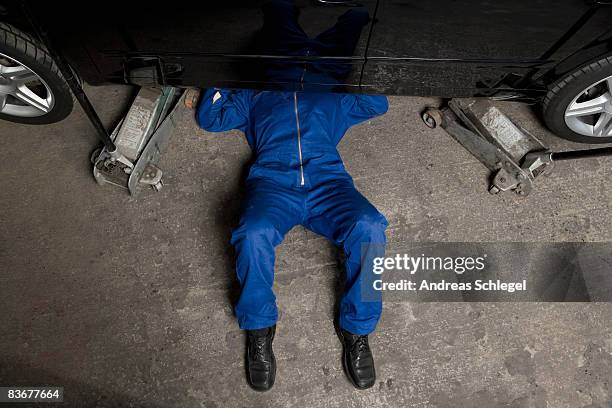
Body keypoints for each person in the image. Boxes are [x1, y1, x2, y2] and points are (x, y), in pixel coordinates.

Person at [196, 0, 388, 391]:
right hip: (273, 183)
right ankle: (259, 329)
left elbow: (377, 103)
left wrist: (351, 77)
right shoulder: (258, 93)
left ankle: (358, 329)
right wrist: (231, 75)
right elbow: (210, 117)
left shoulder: (335, 94)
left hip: (328, 182)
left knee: (370, 227)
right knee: (252, 232)